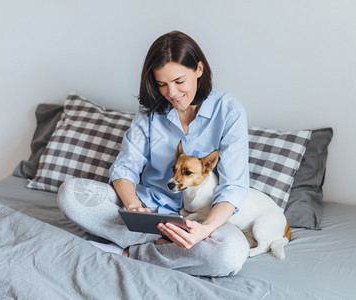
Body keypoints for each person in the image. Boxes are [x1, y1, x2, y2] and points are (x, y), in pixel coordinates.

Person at [57, 31, 250, 277]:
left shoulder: (230, 112)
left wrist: (204, 230)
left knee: (230, 253)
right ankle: (162, 247)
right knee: (69, 194)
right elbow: (125, 167)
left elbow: (234, 186)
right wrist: (133, 206)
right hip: (148, 209)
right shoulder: (150, 111)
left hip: (197, 220)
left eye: (179, 81)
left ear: (199, 69)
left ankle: (127, 253)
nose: (171, 93)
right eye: (162, 84)